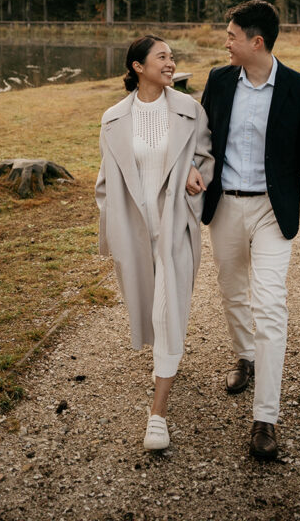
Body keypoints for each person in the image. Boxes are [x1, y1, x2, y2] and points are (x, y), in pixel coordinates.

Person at [188, 0, 300, 461]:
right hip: (226, 206)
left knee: (270, 305)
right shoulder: (219, 80)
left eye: (231, 35)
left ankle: (264, 418)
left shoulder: (298, 88)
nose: (224, 41)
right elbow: (202, 139)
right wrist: (192, 168)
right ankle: (245, 356)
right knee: (232, 292)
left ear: (256, 42)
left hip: (273, 213)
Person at [95, 34, 214, 451]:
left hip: (174, 226)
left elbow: (205, 159)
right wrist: (113, 230)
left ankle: (158, 415)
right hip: (134, 230)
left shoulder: (189, 110)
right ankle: (165, 359)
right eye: (161, 57)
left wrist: (194, 176)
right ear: (137, 67)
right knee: (148, 309)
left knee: (166, 312)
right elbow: (105, 183)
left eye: (172, 57)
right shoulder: (112, 119)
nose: (170, 63)